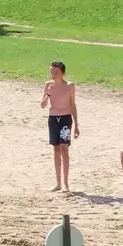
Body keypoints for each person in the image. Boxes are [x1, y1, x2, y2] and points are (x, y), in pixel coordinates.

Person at [41, 61, 78, 192]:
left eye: (56, 72)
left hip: (65, 118)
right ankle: (58, 183)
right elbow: (43, 105)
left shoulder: (69, 86)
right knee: (56, 150)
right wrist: (48, 94)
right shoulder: (48, 85)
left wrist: (77, 124)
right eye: (52, 72)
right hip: (53, 118)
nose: (53, 74)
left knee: (64, 149)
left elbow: (73, 105)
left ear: (63, 72)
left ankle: (66, 183)